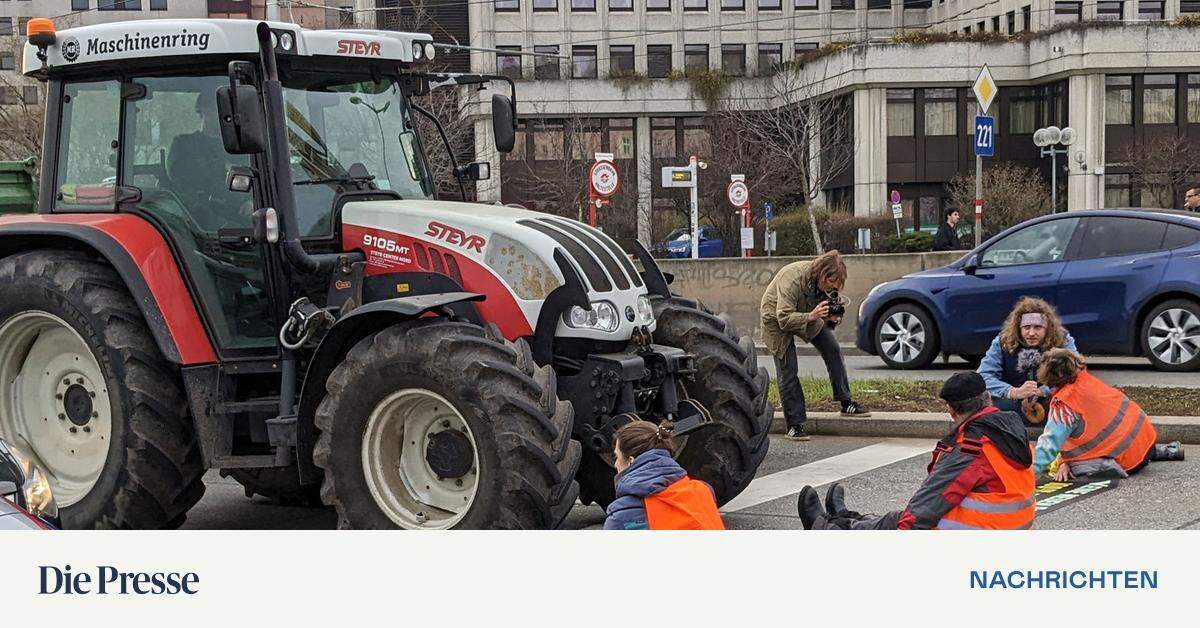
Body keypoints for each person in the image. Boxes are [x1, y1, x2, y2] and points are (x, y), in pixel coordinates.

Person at [796, 372, 1035, 530]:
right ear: (988, 400)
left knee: (900, 522)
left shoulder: (970, 450)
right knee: (894, 518)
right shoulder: (1008, 430)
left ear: (952, 411)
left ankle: (825, 529)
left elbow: (925, 507)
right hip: (1010, 528)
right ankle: (844, 520)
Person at [760, 250, 870, 442]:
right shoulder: (792, 279)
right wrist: (812, 315)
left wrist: (832, 319)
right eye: (831, 283)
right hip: (776, 319)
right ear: (823, 275)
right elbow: (784, 318)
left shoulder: (826, 286)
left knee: (833, 349)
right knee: (788, 369)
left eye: (837, 286)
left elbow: (825, 319)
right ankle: (794, 424)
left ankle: (846, 402)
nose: (832, 289)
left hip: (807, 314)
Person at [1032, 349, 1184, 480]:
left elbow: (1049, 445)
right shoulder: (1086, 381)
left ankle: (1108, 467)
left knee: (1072, 466)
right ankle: (1164, 451)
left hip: (1127, 460)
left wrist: (1031, 473)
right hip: (1146, 441)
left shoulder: (1064, 404)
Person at [603, 420, 725, 530]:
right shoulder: (704, 492)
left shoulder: (621, 517)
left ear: (630, 461)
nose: (615, 464)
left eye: (616, 457)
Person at [977, 296, 1076, 424]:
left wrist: (1044, 391)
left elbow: (1075, 373)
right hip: (1012, 404)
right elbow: (983, 375)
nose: (1031, 333)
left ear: (1048, 328)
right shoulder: (1003, 342)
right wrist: (1012, 392)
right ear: (1018, 327)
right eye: (1026, 327)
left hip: (1053, 402)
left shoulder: (1063, 341)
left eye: (1037, 327)